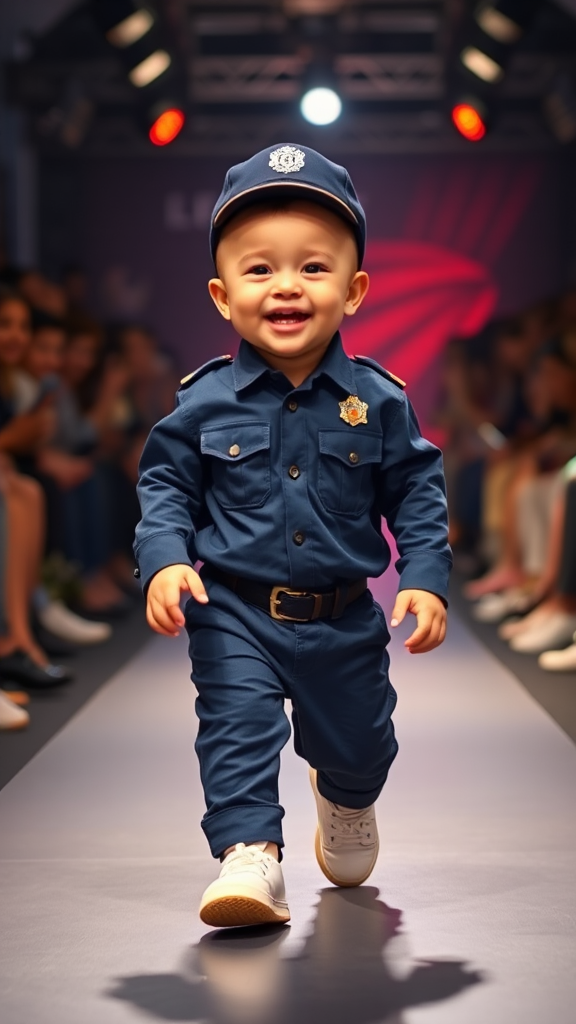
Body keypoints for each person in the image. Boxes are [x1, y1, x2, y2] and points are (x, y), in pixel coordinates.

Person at [134, 145, 451, 929]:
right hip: (233, 607)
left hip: (344, 618)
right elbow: (166, 486)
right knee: (235, 728)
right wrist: (165, 562)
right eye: (259, 269)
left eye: (313, 268)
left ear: (354, 291)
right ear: (220, 294)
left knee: (361, 741)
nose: (285, 285)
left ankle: (346, 793)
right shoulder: (202, 402)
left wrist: (426, 576)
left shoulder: (378, 400)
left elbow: (415, 488)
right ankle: (249, 855)